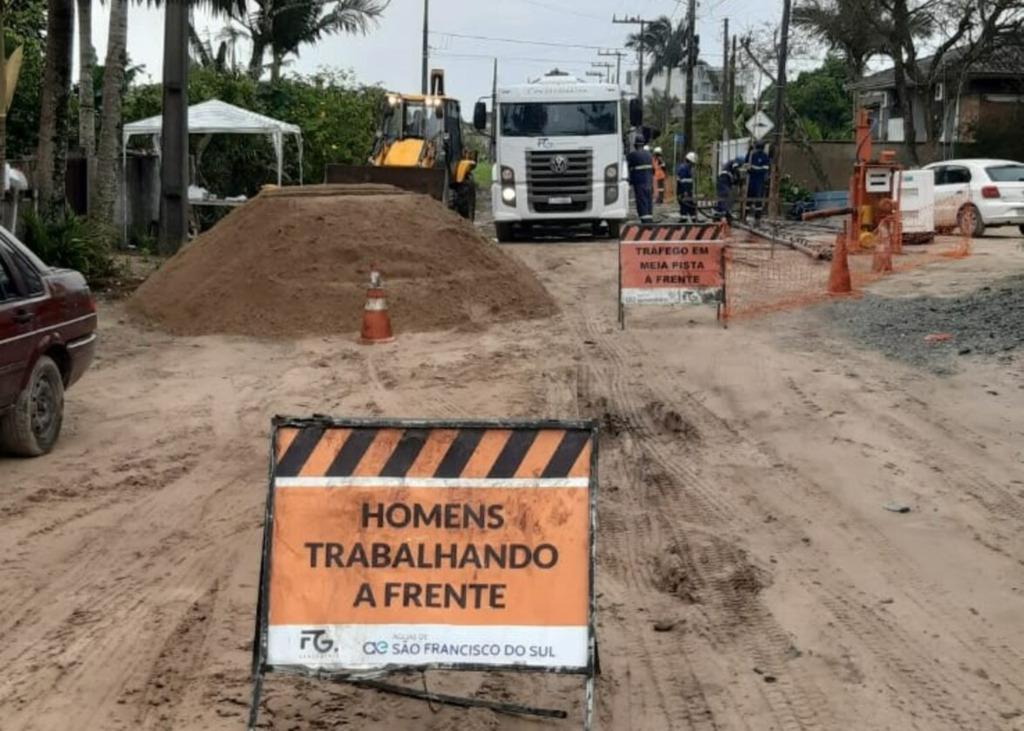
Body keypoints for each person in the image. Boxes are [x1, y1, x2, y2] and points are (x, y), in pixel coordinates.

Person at [627, 136, 655, 223]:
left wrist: (629, 180)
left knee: (641, 200)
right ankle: (649, 218)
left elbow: (628, 167)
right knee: (648, 199)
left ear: (635, 145)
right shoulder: (650, 155)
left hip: (639, 182)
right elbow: (653, 169)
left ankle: (644, 220)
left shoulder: (632, 155)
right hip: (649, 181)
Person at [745, 140, 771, 224]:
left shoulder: (764, 156)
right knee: (751, 199)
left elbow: (765, 169)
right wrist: (749, 152)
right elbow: (746, 165)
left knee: (757, 199)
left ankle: (756, 217)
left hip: (757, 180)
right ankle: (749, 216)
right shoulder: (752, 155)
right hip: (753, 180)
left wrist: (752, 170)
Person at [715, 159, 742, 223]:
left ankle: (719, 215)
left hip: (723, 182)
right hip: (723, 182)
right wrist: (738, 177)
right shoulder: (734, 163)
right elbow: (735, 170)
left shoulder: (729, 168)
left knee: (721, 199)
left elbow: (732, 180)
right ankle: (724, 215)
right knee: (724, 198)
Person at [676, 151, 698, 222]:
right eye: (693, 163)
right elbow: (683, 182)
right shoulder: (684, 169)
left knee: (691, 205)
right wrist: (685, 192)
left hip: (688, 191)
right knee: (685, 205)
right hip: (684, 191)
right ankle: (683, 219)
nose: (693, 165)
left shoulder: (687, 168)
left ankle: (694, 219)